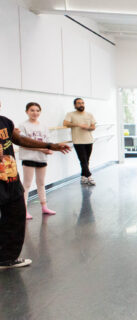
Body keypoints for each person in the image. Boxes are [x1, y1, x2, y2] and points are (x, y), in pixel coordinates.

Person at [0, 100, 71, 270]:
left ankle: (7, 258)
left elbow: (22, 140)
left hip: (10, 179)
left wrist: (50, 145)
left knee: (15, 217)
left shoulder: (5, 122)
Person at [19, 103, 56, 220]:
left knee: (41, 183)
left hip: (41, 158)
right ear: (27, 112)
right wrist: (42, 149)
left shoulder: (43, 126)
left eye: (37, 110)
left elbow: (48, 141)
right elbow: (24, 144)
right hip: (29, 158)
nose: (35, 113)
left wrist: (50, 149)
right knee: (27, 184)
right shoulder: (22, 125)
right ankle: (24, 210)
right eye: (32, 110)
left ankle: (44, 207)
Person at [63, 98, 96, 185]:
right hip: (78, 141)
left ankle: (83, 176)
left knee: (86, 160)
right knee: (83, 160)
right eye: (78, 103)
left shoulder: (89, 115)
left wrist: (87, 127)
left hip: (89, 140)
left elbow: (93, 127)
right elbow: (65, 123)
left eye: (82, 103)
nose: (81, 105)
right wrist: (77, 124)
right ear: (75, 105)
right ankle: (89, 176)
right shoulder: (70, 114)